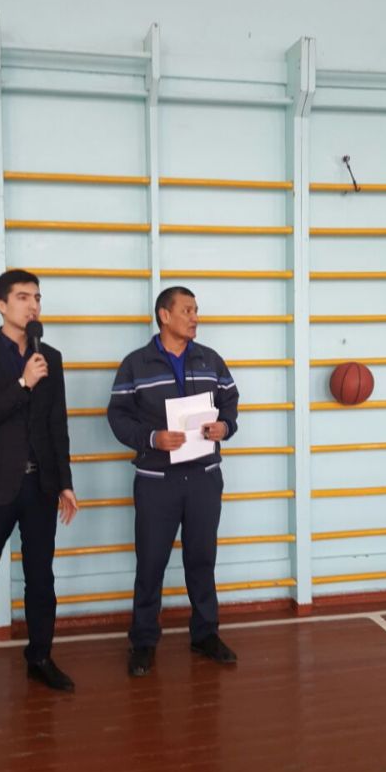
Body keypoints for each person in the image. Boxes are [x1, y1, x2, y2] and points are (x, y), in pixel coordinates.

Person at [0, 269, 78, 712]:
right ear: (1, 305)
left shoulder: (51, 357)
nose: (33, 305)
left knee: (41, 578)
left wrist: (65, 483)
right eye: (23, 297)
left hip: (40, 486)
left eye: (37, 297)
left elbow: (57, 425)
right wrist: (23, 383)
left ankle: (40, 657)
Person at [107, 286, 239, 676]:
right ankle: (144, 641)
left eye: (196, 310)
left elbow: (230, 403)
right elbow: (117, 416)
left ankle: (205, 634)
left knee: (202, 559)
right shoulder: (135, 365)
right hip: (156, 481)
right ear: (164, 316)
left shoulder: (211, 360)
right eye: (187, 310)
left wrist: (225, 426)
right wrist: (152, 438)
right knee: (150, 562)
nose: (195, 317)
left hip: (204, 479)